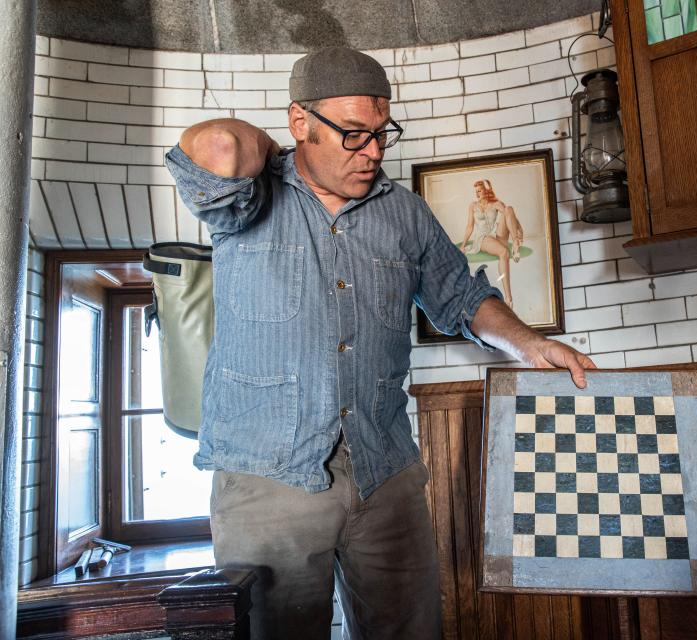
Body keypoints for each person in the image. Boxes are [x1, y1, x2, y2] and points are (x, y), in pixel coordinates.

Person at [164, 47, 595, 640]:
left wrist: (528, 344)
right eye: (353, 135)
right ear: (300, 124)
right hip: (268, 477)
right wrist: (276, 156)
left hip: (384, 470)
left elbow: (462, 298)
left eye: (381, 134)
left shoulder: (407, 215)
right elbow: (216, 148)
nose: (372, 153)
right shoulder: (250, 198)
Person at [458, 179, 523, 307]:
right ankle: (508, 298)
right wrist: (463, 245)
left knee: (508, 209)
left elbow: (511, 216)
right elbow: (469, 227)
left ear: (486, 190)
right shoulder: (473, 206)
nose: (477, 194)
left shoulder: (495, 204)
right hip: (483, 238)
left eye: (480, 190)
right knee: (504, 252)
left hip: (497, 235)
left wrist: (519, 230)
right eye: (476, 191)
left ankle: (515, 243)